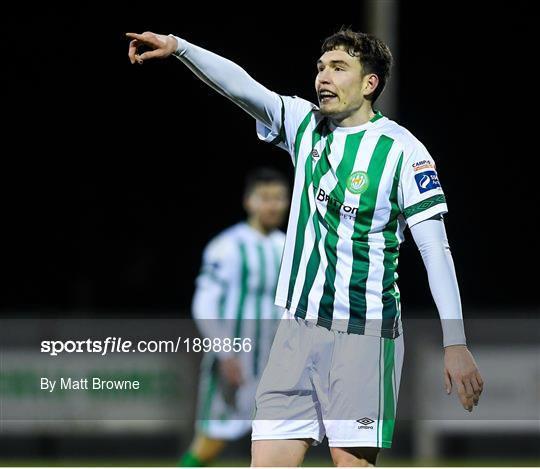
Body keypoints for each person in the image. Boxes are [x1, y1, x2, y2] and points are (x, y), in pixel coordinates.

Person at [126, 28, 484, 467]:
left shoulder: (403, 152)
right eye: (320, 68)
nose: (323, 78)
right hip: (295, 333)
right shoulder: (306, 126)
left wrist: (456, 341)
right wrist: (180, 48)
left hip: (364, 335)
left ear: (370, 83)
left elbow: (436, 251)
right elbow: (242, 87)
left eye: (338, 68)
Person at [180, 168, 289, 467]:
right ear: (248, 202)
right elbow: (203, 303)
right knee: (211, 440)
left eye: (279, 198)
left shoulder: (288, 248)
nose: (273, 205)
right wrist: (225, 352)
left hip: (275, 364)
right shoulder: (226, 246)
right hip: (235, 363)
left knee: (281, 442)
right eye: (265, 198)